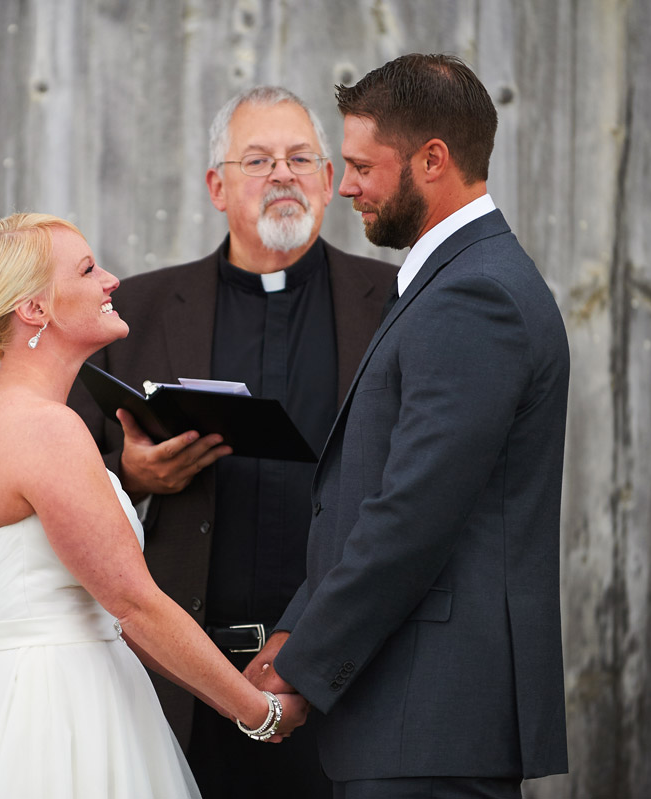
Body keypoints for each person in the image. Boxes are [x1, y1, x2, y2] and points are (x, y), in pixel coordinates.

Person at [0, 213, 307, 799]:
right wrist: (259, 712)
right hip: (57, 714)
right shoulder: (46, 430)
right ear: (35, 309)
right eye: (86, 269)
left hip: (4, 702)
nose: (111, 280)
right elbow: (134, 605)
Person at [247, 54, 571, 798]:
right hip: (407, 717)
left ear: (433, 160)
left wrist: (300, 662)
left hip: (430, 720)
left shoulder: (476, 295)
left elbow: (411, 515)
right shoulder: (452, 280)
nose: (347, 187)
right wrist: (296, 628)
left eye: (362, 166)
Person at [69, 87, 397, 798]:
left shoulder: (399, 301)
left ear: (331, 179)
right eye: (258, 159)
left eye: (300, 157)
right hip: (182, 685)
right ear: (217, 185)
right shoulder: (135, 312)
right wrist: (128, 473)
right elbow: (58, 463)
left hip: (347, 679)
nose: (283, 173)